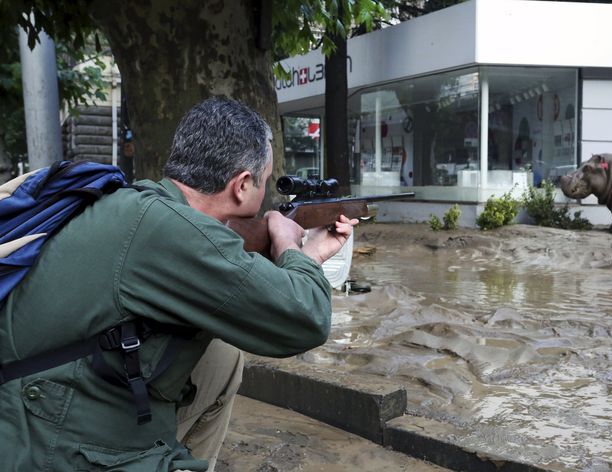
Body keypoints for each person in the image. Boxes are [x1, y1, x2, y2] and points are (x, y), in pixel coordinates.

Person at [0, 97, 356, 471]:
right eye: (265, 182)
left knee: (221, 360)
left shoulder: (140, 205)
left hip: (44, 396)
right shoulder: (170, 232)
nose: (266, 194)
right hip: (43, 435)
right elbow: (305, 319)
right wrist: (291, 245)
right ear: (242, 184)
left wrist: (303, 252)